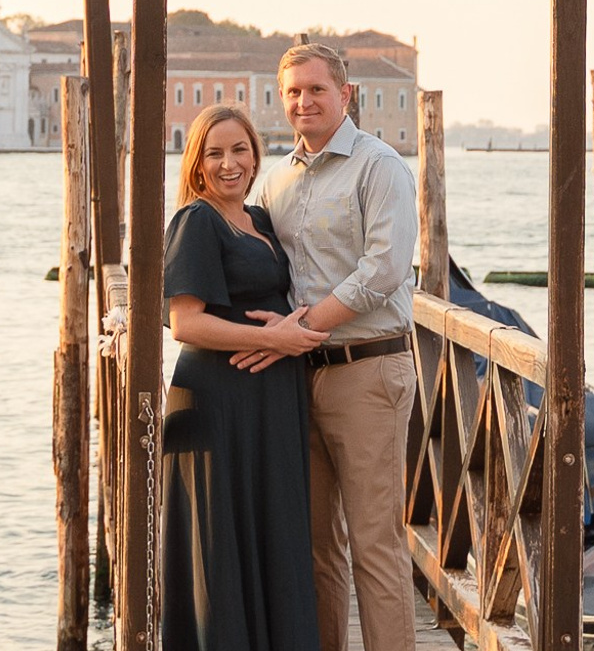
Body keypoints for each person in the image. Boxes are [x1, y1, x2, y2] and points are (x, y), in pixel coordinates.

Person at [260, 37, 421, 651]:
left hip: (368, 373)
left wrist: (298, 330)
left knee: (375, 541)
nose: (305, 101)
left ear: (345, 94)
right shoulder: (275, 180)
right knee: (318, 546)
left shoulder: (379, 167)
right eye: (294, 92)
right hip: (299, 376)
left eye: (317, 89)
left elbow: (383, 271)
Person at [160, 103, 324, 650]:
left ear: (256, 155)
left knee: (273, 528)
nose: (229, 163)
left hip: (270, 401)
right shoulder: (195, 220)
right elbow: (185, 321)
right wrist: (272, 340)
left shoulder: (259, 221)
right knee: (222, 540)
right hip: (216, 401)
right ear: (197, 163)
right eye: (215, 153)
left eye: (239, 150)